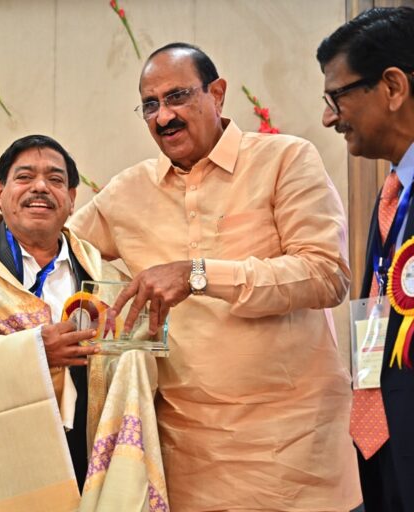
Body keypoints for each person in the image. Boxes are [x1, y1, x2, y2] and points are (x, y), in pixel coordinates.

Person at [66, 43, 361, 509]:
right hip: (187, 462)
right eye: (150, 105)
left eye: (177, 96)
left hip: (298, 454)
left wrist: (198, 274)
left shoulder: (284, 159)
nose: (164, 116)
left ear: (217, 93)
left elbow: (326, 274)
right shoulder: (128, 191)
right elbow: (51, 252)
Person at [0, 135, 169, 511]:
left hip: (82, 460)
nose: (40, 187)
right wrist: (33, 354)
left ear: (72, 199)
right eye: (25, 177)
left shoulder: (107, 282)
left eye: (55, 180)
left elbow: (137, 366)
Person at [318, 6, 414, 509]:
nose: (329, 117)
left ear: (393, 87)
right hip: (386, 448)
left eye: (337, 97)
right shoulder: (391, 193)